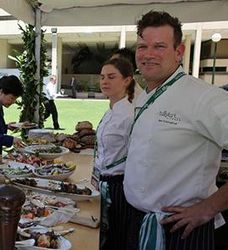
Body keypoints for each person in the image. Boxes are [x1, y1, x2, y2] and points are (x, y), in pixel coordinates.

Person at [124, 11, 228, 250]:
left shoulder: (204, 97)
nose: (148, 54)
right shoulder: (146, 95)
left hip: (182, 231)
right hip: (139, 222)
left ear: (178, 52)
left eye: (159, 46)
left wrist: (209, 207)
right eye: (142, 46)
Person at [93, 58, 135, 250]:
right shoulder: (110, 111)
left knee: (116, 240)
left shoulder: (130, 114)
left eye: (111, 77)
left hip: (120, 188)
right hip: (102, 181)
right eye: (102, 77)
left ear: (127, 80)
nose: (104, 82)